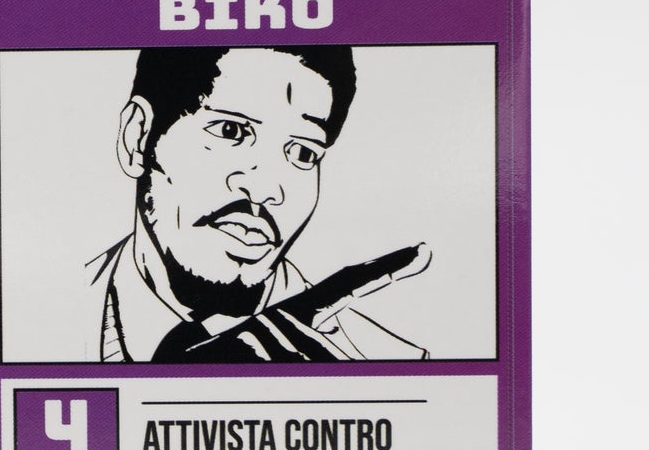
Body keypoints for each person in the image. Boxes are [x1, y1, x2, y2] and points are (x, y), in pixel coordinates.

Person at [90, 44, 429, 363]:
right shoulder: (58, 318)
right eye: (230, 131)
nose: (267, 188)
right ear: (137, 138)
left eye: (303, 152)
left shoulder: (381, 367)